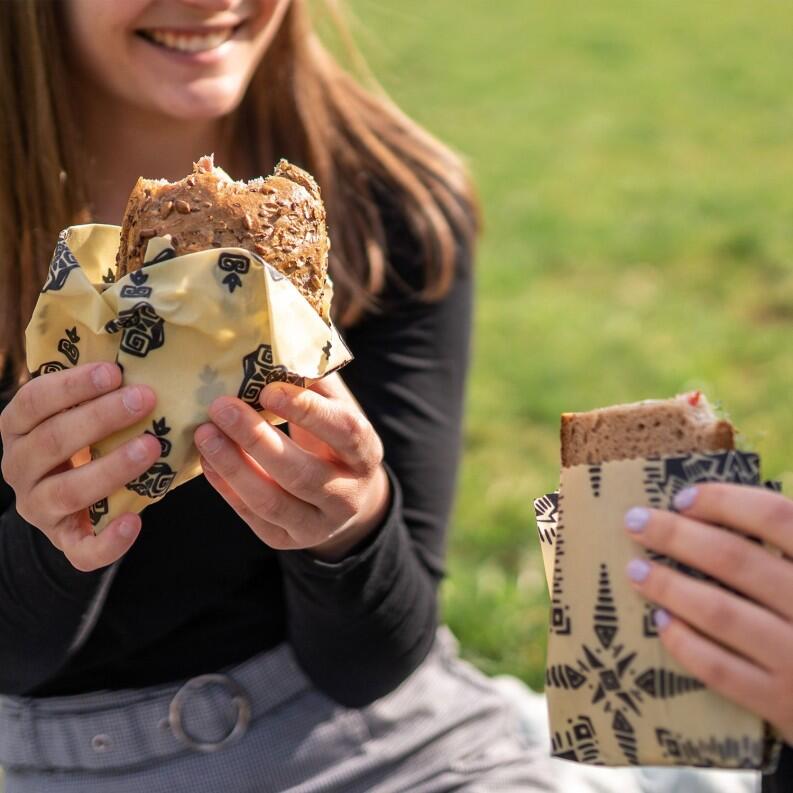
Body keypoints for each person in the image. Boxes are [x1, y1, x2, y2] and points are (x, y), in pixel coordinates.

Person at [0, 3, 789, 793]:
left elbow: (374, 663)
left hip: (381, 748)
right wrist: (54, 539)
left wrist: (351, 529)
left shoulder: (389, 204)